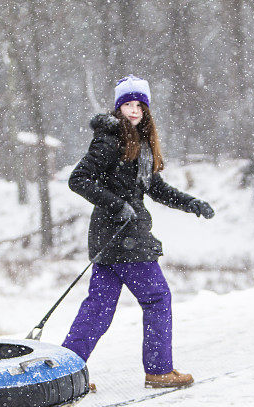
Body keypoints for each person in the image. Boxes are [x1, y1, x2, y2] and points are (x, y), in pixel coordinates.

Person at [62, 75, 215, 388]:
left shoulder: (141, 144)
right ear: (119, 107)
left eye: (138, 105)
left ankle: (66, 373)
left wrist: (192, 203)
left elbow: (155, 188)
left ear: (146, 109)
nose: (133, 110)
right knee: (157, 298)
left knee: (98, 309)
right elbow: (78, 179)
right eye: (127, 104)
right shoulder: (111, 137)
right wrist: (117, 206)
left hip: (115, 237)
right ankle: (159, 370)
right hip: (123, 237)